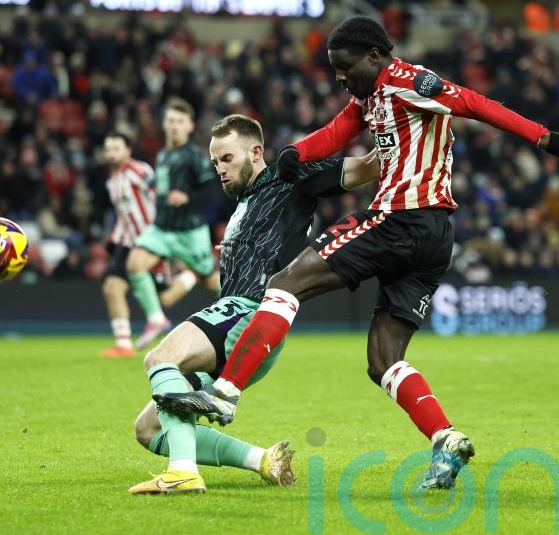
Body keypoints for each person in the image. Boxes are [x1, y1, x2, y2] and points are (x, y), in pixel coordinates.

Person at [154, 16, 559, 491]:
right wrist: (298, 152)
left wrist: (545, 138)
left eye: (345, 67)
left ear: (375, 56)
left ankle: (225, 393)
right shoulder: (369, 97)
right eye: (334, 70)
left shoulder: (409, 82)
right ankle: (445, 439)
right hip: (433, 238)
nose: (341, 77)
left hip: (400, 218)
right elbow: (340, 129)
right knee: (383, 360)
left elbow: (473, 102)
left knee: (283, 285)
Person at [128, 114, 379, 494]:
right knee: (148, 429)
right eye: (215, 163)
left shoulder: (287, 177)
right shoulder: (245, 203)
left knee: (161, 359)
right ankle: (263, 460)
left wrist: (409, 130)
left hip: (250, 313)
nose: (220, 170)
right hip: (245, 330)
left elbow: (366, 168)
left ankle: (182, 472)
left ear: (256, 151)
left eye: (227, 158)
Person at [125, 98, 221, 350]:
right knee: (135, 264)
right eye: (170, 121)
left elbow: (213, 191)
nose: (174, 126)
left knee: (213, 282)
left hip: (189, 233)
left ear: (190, 126)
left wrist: (188, 197)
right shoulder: (164, 154)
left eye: (180, 122)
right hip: (161, 229)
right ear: (164, 124)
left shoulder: (195, 156)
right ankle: (156, 320)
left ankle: (249, 310)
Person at [100, 132, 198, 358]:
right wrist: (114, 238)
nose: (111, 153)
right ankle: (123, 344)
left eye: (116, 148)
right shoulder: (112, 180)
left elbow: (163, 196)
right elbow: (124, 215)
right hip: (128, 243)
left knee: (164, 299)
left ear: (128, 150)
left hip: (151, 242)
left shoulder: (140, 171)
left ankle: (193, 274)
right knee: (112, 287)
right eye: (108, 149)